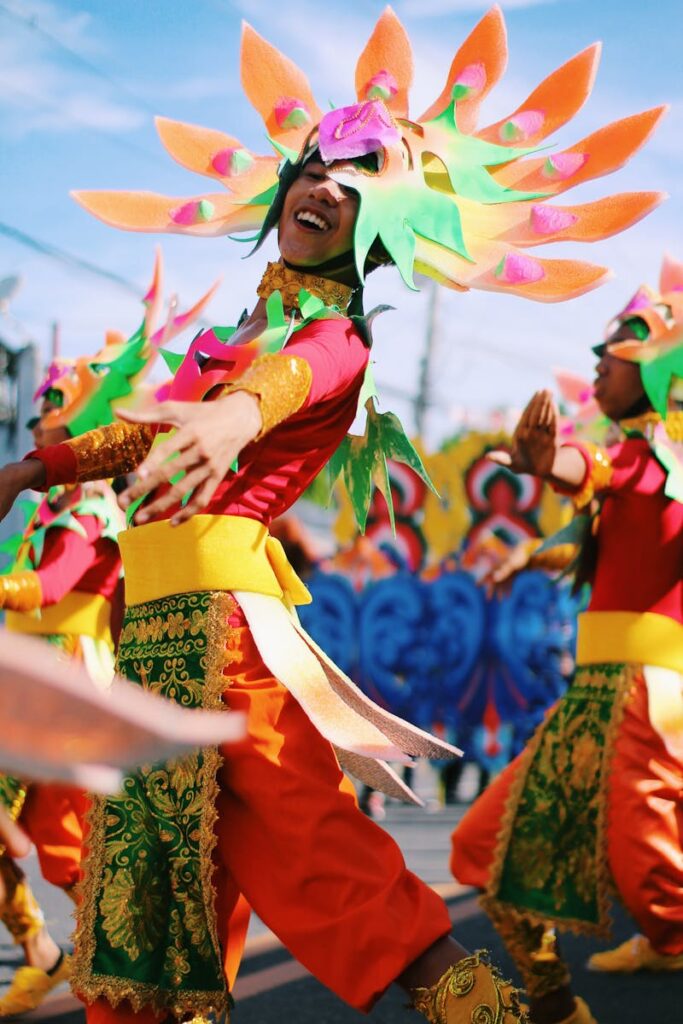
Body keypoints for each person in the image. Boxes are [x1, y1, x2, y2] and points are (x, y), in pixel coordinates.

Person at [0, 8, 666, 1024]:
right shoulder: (236, 332)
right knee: (147, 902)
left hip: (227, 637)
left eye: (353, 188)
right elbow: (144, 433)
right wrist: (32, 468)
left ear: (380, 227)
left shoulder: (333, 341)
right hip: (155, 629)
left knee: (319, 857)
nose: (323, 188)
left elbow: (286, 381)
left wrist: (231, 413)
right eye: (314, 168)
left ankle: (490, 1006)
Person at [450, 255, 683, 1024]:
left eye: (615, 345)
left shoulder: (654, 458)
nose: (596, 360)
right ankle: (564, 1001)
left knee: (643, 848)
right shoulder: (643, 464)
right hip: (599, 692)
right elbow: (599, 513)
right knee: (483, 846)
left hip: (646, 693)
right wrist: (530, 546)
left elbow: (595, 474)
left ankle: (670, 937)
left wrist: (552, 462)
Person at [0, 254, 215, 1017]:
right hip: (34, 677)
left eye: (51, 406)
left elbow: (53, 588)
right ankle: (47, 949)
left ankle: (129, 959)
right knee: (61, 847)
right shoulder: (53, 509)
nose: (37, 421)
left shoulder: (91, 514)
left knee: (77, 849)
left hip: (67, 681)